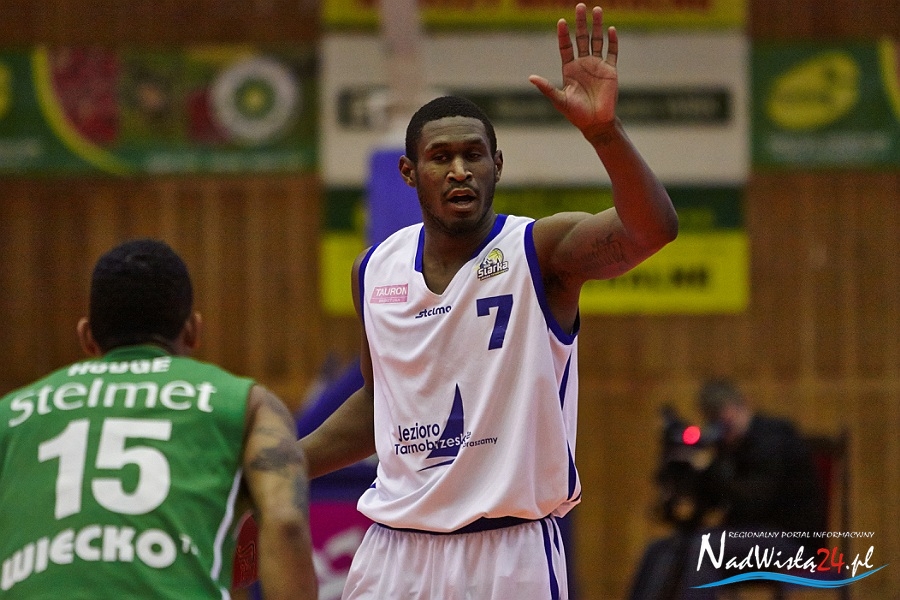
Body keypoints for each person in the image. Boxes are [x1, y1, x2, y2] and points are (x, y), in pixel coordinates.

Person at [299, 4, 679, 598]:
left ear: (496, 165)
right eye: (440, 157)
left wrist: (604, 133)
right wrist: (281, 468)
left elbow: (651, 230)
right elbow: (381, 406)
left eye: (473, 155)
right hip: (393, 552)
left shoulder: (540, 252)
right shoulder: (372, 270)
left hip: (509, 552)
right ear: (408, 172)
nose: (459, 170)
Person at [0, 239, 318, 600]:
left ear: (87, 337)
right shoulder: (247, 403)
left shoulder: (11, 413)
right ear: (192, 331)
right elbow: (286, 523)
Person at [628, 378, 827, 599]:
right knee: (662, 549)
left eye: (725, 416)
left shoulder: (774, 438)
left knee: (704, 548)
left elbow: (752, 501)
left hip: (793, 540)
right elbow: (715, 502)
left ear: (744, 404)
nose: (722, 426)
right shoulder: (729, 444)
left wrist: (710, 466)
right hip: (750, 536)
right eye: (714, 418)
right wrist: (689, 477)